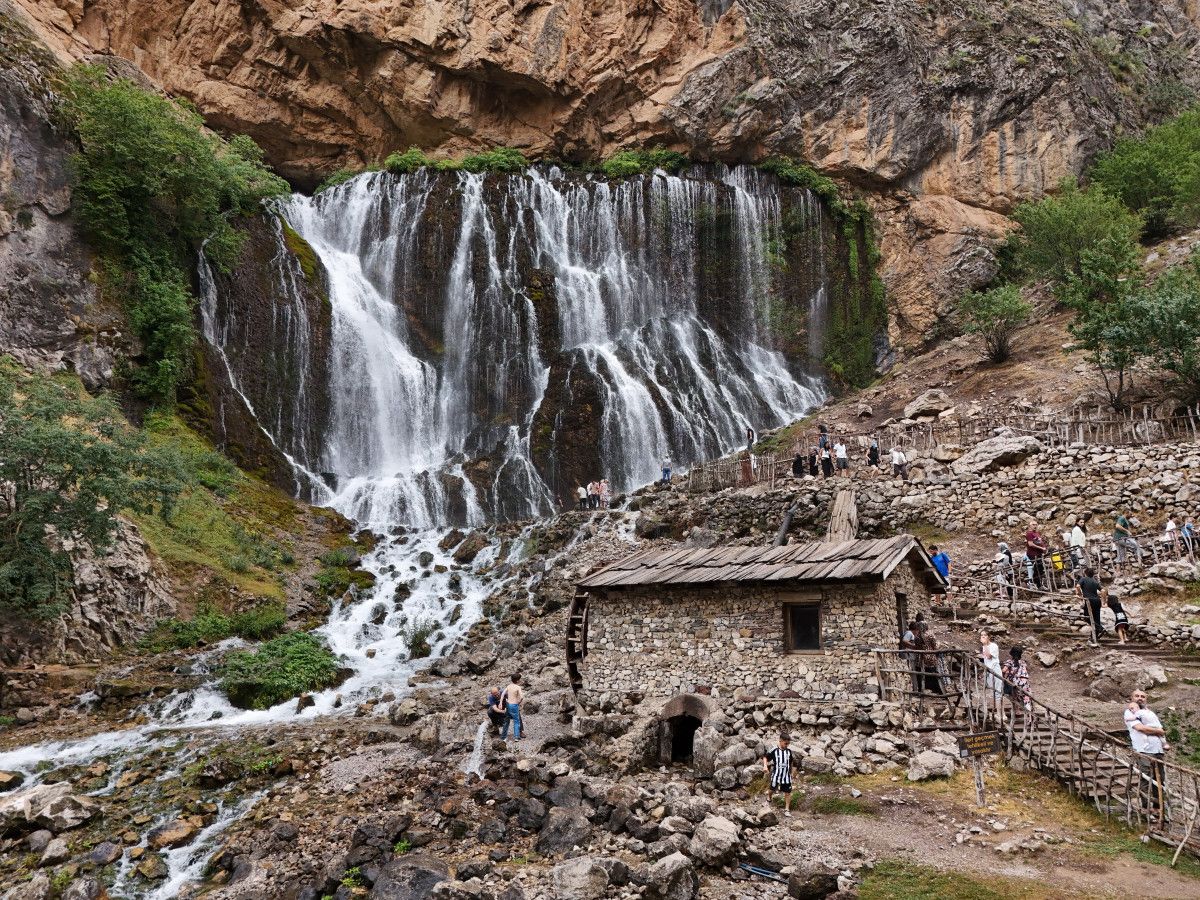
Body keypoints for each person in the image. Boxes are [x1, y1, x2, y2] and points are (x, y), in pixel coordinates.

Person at [1125, 689, 1168, 818]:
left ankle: (1157, 809)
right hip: (1144, 751)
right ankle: (1146, 809)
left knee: (1159, 780)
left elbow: (1161, 729)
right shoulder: (1130, 712)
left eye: (1142, 696)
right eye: (1137, 696)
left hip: (1158, 751)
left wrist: (1158, 732)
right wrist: (1157, 731)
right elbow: (1140, 728)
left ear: (1146, 699)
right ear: (1132, 698)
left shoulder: (1150, 713)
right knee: (1146, 780)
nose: (1140, 698)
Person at [762, 733, 796, 817]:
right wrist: (765, 766)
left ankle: (787, 809)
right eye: (785, 743)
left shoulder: (788, 751)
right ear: (780, 741)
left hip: (786, 776)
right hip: (776, 775)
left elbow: (791, 761)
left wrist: (791, 773)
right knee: (772, 789)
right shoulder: (774, 750)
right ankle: (769, 798)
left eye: (788, 743)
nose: (787, 745)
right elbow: (765, 757)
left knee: (787, 792)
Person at [1075, 567, 1104, 646]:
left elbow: (1077, 586)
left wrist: (1079, 595)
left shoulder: (1083, 579)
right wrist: (1104, 601)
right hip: (1097, 601)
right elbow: (1103, 590)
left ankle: (1100, 628)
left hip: (1089, 601)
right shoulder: (1095, 581)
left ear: (1085, 573)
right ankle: (1093, 638)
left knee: (1086, 617)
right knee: (1096, 619)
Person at [979, 629, 1002, 719]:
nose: (983, 636)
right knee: (993, 691)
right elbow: (985, 659)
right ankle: (996, 712)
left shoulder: (993, 646)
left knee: (998, 691)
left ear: (988, 636)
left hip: (995, 669)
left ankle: (1000, 714)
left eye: (985, 635)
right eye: (981, 635)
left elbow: (989, 656)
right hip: (989, 671)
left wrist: (985, 644)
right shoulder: (983, 647)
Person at [1001, 646, 1031, 713]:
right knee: (1026, 699)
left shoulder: (1010, 662)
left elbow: (1004, 670)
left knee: (1014, 696)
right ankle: (1030, 715)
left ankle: (1017, 710)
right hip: (1025, 682)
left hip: (1016, 682)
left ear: (1011, 653)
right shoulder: (1023, 662)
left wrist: (1004, 676)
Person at [500, 673, 525, 742]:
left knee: (506, 721)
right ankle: (516, 737)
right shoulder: (518, 687)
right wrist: (518, 702)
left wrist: (500, 703)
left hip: (508, 704)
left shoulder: (509, 686)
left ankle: (503, 737)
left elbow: (503, 694)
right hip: (514, 705)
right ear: (517, 681)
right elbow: (522, 696)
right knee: (516, 721)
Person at [900, 619, 921, 695]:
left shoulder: (910, 633)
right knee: (912, 671)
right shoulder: (909, 633)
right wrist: (914, 646)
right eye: (917, 630)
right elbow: (904, 641)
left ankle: (915, 689)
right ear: (915, 629)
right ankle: (915, 690)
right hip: (908, 654)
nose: (918, 632)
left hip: (910, 654)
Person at [1024, 523, 1048, 590]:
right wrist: (1041, 548)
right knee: (1037, 568)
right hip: (1033, 554)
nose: (1035, 526)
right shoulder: (1029, 534)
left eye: (1036, 524)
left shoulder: (1037, 533)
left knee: (1040, 569)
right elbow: (1030, 544)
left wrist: (1044, 548)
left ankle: (1039, 584)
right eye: (1033, 524)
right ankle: (1033, 582)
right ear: (1030, 526)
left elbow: (1040, 542)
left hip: (1039, 553)